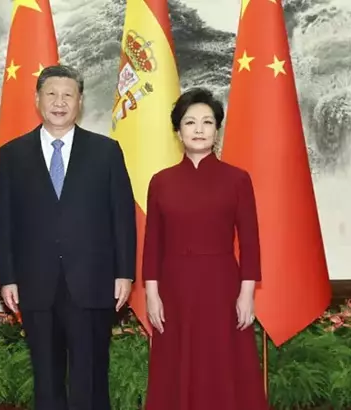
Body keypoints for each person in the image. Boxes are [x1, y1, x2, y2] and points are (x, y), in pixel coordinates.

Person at [0, 64, 137, 410]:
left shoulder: (106, 152)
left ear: (80, 101)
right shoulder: (13, 154)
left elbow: (122, 217)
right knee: (46, 379)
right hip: (36, 284)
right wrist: (7, 278)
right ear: (38, 99)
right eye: (52, 94)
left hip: (92, 282)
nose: (59, 102)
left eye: (68, 95)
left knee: (91, 378)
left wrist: (125, 273)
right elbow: (3, 222)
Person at [143, 87, 268, 410]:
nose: (199, 129)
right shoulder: (161, 181)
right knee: (175, 365)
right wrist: (152, 295)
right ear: (178, 131)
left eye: (207, 122)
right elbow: (153, 243)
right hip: (174, 289)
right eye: (190, 122)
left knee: (222, 364)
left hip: (222, 287)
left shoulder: (237, 179)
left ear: (217, 129)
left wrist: (247, 295)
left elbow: (250, 242)